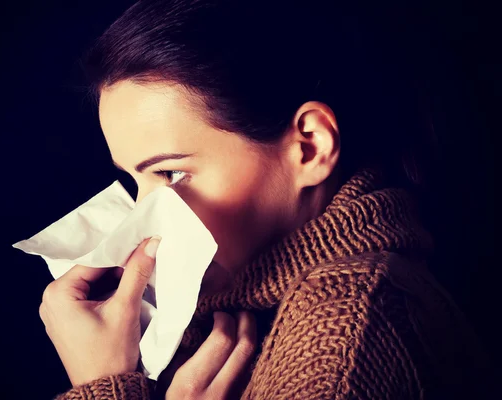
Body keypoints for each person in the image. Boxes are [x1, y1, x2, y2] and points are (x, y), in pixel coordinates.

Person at [37, 0, 487, 398]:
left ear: (310, 147)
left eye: (171, 172)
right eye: (137, 183)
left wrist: (100, 387)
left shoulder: (350, 328)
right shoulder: (227, 308)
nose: (141, 225)